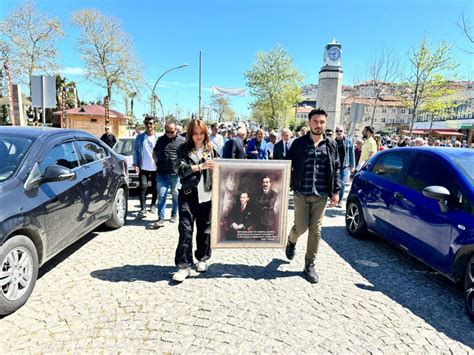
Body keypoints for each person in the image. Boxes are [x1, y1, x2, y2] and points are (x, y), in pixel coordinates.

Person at [285, 108, 341, 284]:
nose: (319, 125)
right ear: (309, 123)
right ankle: (291, 241)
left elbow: (336, 168)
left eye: (322, 122)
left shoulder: (331, 144)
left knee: (315, 231)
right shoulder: (298, 143)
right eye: (315, 121)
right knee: (300, 227)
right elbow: (286, 165)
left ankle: (309, 265)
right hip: (301, 192)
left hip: (321, 194)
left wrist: (336, 191)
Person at [172, 119, 218, 282]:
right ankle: (184, 266)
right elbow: (180, 170)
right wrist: (200, 167)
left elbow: (222, 168)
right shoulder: (182, 149)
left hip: (207, 195)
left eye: (201, 133)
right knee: (185, 230)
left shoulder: (211, 149)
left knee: (205, 230)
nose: (198, 136)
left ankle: (202, 259)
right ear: (190, 134)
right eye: (195, 133)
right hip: (187, 194)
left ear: (205, 134)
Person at [152, 122, 186, 228]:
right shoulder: (161, 140)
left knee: (175, 195)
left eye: (171, 132)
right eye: (167, 131)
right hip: (161, 173)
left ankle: (174, 214)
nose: (169, 134)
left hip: (175, 174)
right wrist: (156, 162)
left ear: (176, 130)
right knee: (161, 195)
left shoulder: (182, 141)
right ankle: (160, 218)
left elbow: (187, 154)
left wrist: (182, 166)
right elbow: (155, 152)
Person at [133, 116, 158, 218]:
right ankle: (143, 208)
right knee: (143, 187)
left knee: (155, 187)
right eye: (146, 123)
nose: (148, 125)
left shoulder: (158, 138)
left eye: (151, 123)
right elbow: (135, 151)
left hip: (156, 168)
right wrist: (135, 164)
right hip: (143, 167)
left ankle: (153, 205)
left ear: (154, 125)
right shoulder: (140, 137)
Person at [334, 125, 355, 207]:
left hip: (344, 165)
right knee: (334, 182)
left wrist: (352, 165)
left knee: (342, 183)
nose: (339, 132)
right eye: (337, 131)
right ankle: (334, 197)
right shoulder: (332, 142)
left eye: (340, 131)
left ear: (343, 132)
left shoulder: (349, 142)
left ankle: (340, 199)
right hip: (335, 166)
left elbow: (352, 154)